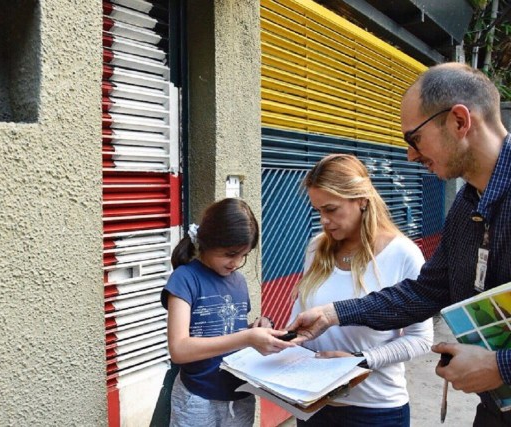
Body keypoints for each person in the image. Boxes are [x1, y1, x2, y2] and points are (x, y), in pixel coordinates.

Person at [287, 62, 511, 426]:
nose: (410, 155)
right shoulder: (465, 205)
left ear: (459, 121)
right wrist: (333, 314)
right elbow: (424, 293)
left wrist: (500, 365)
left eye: (414, 138)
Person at [287, 154, 433, 426]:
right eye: (318, 211)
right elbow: (302, 317)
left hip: (375, 409)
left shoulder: (403, 254)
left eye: (331, 209)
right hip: (312, 404)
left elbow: (420, 339)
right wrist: (279, 335)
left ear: (362, 199)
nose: (325, 221)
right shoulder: (315, 248)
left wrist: (359, 361)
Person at [161, 198, 294, 427]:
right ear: (208, 242)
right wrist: (246, 337)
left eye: (244, 255)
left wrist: (255, 329)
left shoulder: (239, 281)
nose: (236, 262)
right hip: (197, 399)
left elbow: (231, 331)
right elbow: (179, 350)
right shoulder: (185, 279)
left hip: (239, 396)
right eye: (230, 254)